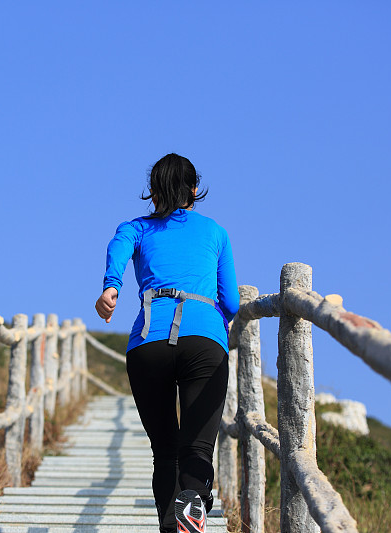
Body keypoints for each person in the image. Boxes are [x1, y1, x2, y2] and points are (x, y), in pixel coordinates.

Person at [95, 153, 239, 533]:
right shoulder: (215, 232)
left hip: (148, 342)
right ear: (194, 189)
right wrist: (213, 325)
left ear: (153, 191)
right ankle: (192, 502)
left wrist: (112, 287)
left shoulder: (137, 228)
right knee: (197, 448)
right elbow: (234, 302)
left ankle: (169, 525)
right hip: (204, 340)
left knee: (166, 451)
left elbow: (119, 245)